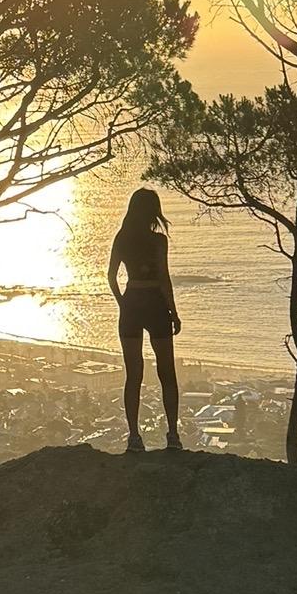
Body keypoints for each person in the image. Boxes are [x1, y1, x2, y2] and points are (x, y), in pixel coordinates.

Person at [108, 184, 182, 452]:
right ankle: (172, 435)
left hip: (132, 302)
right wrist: (174, 312)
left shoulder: (122, 238)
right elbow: (163, 277)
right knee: (167, 372)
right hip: (155, 304)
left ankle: (134, 437)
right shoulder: (158, 240)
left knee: (133, 375)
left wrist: (123, 303)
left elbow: (111, 276)